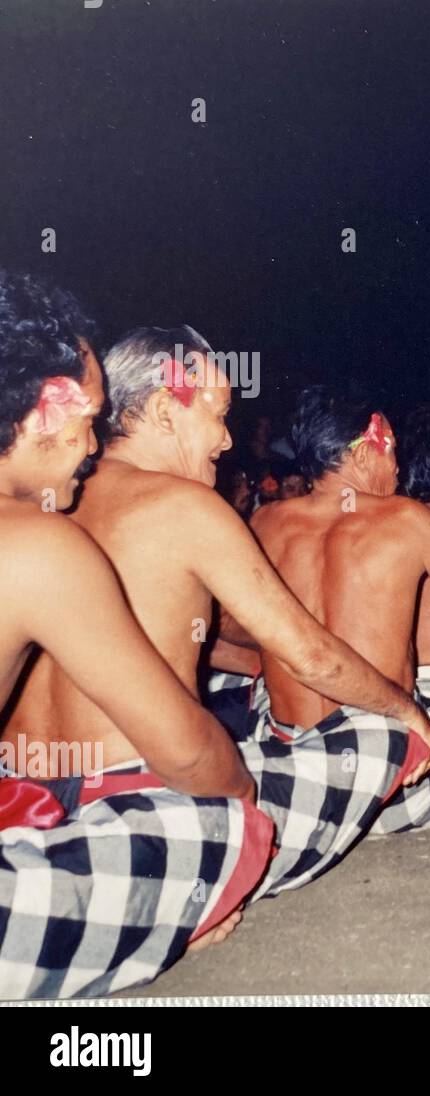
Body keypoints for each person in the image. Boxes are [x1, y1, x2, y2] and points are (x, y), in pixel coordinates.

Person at [10, 326, 430, 902]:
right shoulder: (186, 505)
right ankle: (197, 893)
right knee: (385, 731)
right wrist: (406, 709)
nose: (227, 439)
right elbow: (310, 655)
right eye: (218, 414)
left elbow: (192, 630)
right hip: (131, 807)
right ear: (166, 409)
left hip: (21, 795)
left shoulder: (41, 502)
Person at [0, 273, 273, 997]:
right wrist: (240, 816)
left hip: (30, 790)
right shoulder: (36, 541)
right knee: (235, 822)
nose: (94, 445)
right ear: (35, 415)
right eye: (90, 419)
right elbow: (189, 749)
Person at [248, 389, 430, 835]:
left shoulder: (264, 523)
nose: (398, 468)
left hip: (293, 767)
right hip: (392, 786)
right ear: (367, 449)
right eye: (393, 453)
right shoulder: (404, 518)